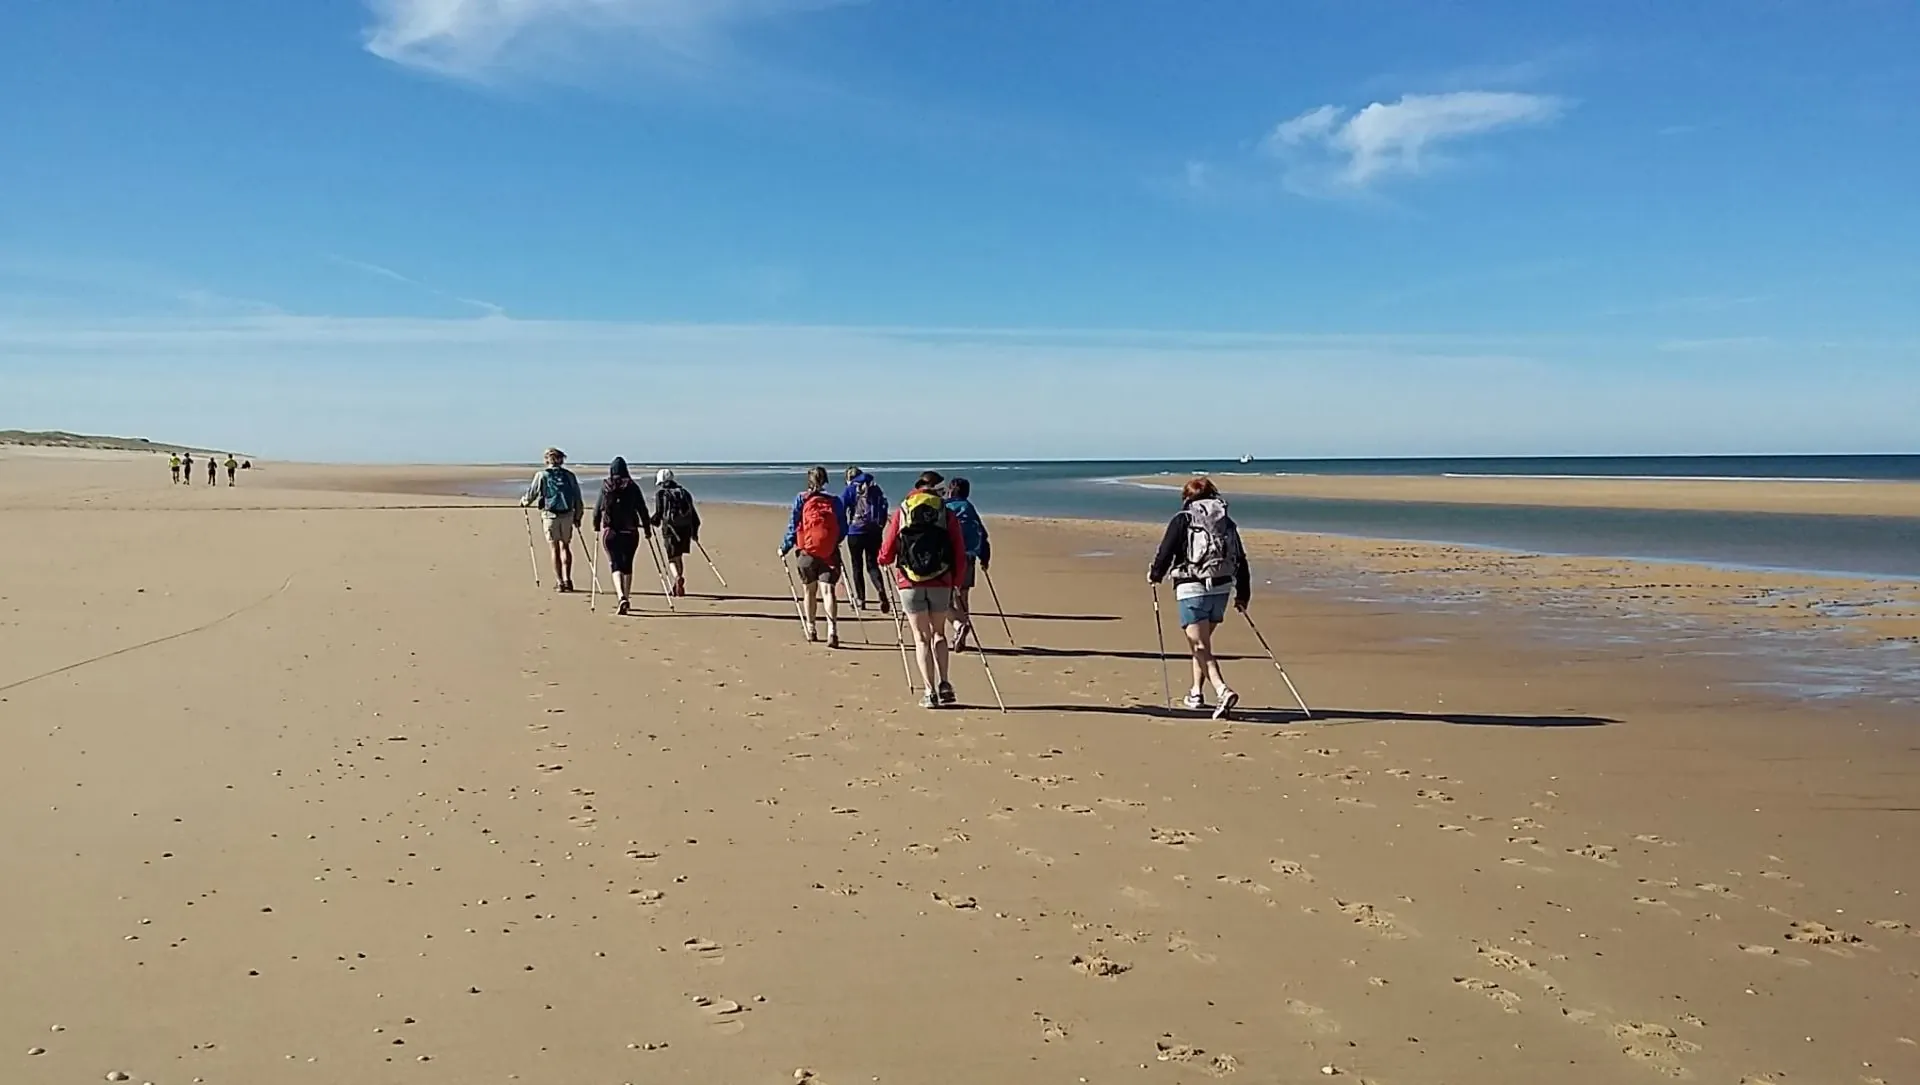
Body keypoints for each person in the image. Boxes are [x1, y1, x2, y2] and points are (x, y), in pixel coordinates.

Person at [1147, 477, 1251, 720]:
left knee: (1200, 646)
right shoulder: (1226, 521)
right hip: (1222, 589)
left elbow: (1165, 551)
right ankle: (1196, 694)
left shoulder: (1183, 518)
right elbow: (1241, 558)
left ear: (1187, 497)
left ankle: (1222, 690)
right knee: (1203, 644)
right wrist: (1243, 594)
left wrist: (1155, 575)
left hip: (1192, 588)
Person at [879, 470, 969, 708]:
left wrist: (882, 560)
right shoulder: (946, 514)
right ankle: (945, 683)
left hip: (909, 582)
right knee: (939, 633)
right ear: (938, 490)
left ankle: (929, 692)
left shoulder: (903, 510)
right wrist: (957, 583)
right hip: (941, 581)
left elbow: (886, 552)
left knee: (921, 639)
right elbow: (959, 552)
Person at [780, 466, 849, 648]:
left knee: (809, 591)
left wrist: (784, 548)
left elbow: (793, 526)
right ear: (825, 480)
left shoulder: (801, 499)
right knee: (828, 591)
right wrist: (834, 541)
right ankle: (832, 630)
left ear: (808, 481)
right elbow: (843, 527)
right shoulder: (835, 501)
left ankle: (811, 628)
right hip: (829, 552)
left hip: (807, 552)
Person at [593, 457, 653, 615]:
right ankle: (626, 596)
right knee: (628, 564)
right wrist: (647, 528)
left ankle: (620, 597)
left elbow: (598, 508)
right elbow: (642, 509)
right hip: (630, 531)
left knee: (615, 564)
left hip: (610, 532)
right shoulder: (633, 486)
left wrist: (596, 525)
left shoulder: (606, 486)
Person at [521, 448, 584, 592]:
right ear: (561, 459)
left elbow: (532, 493)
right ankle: (568, 580)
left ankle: (560, 582)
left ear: (547, 459)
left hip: (550, 515)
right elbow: (577, 497)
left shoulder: (542, 475)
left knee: (554, 548)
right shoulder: (569, 476)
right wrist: (578, 516)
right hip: (567, 514)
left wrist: (524, 502)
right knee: (565, 546)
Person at [942, 477, 992, 651]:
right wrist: (984, 559)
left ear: (950, 490)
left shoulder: (945, 507)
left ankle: (958, 627)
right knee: (963, 596)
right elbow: (982, 534)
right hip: (968, 557)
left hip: (947, 558)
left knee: (944, 600)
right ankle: (962, 632)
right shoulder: (968, 508)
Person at [840, 467, 890, 613]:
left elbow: (841, 511)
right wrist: (880, 526)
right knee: (872, 565)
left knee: (857, 566)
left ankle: (861, 599)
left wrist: (842, 531)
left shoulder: (849, 490)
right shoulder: (875, 488)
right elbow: (883, 508)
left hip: (855, 532)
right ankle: (881, 590)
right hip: (874, 531)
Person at [653, 469, 701, 597]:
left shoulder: (661, 494)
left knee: (671, 558)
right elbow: (694, 515)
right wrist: (694, 532)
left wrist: (650, 522)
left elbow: (658, 515)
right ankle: (677, 585)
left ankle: (677, 577)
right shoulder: (684, 493)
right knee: (679, 556)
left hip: (669, 530)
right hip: (685, 529)